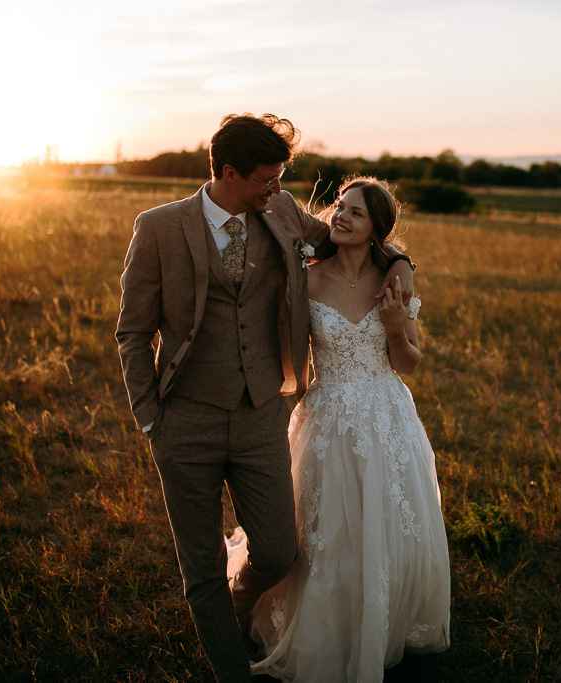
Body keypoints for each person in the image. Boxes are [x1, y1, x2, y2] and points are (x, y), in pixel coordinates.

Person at [115, 115, 413, 683]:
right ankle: (233, 671)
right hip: (184, 422)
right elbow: (132, 331)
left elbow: (352, 240)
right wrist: (151, 418)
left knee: (279, 552)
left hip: (262, 418)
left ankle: (236, 609)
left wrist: (400, 261)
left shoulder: (280, 212)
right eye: (267, 180)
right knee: (200, 564)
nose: (278, 190)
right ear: (229, 173)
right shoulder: (158, 227)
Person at [227, 177, 451, 682]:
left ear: (376, 230)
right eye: (338, 206)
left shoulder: (394, 279)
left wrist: (395, 327)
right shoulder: (307, 278)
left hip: (386, 414)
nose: (340, 217)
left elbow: (409, 363)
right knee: (321, 532)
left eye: (355, 213)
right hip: (326, 416)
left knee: (386, 528)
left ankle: (379, 623)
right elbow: (290, 357)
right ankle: (321, 625)